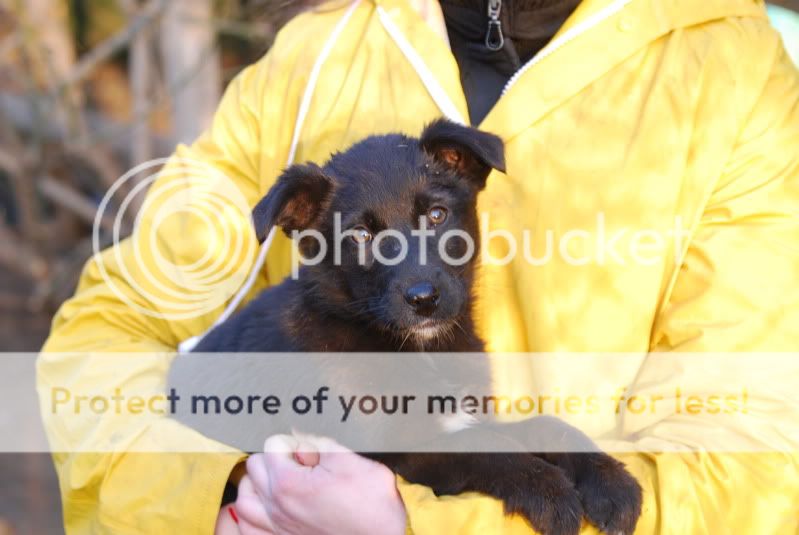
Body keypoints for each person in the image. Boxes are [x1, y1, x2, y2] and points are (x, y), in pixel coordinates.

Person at [39, 0, 799, 533]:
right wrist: (222, 493)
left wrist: (416, 522)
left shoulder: (728, 67)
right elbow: (104, 336)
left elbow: (755, 458)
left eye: (436, 215)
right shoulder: (318, 54)